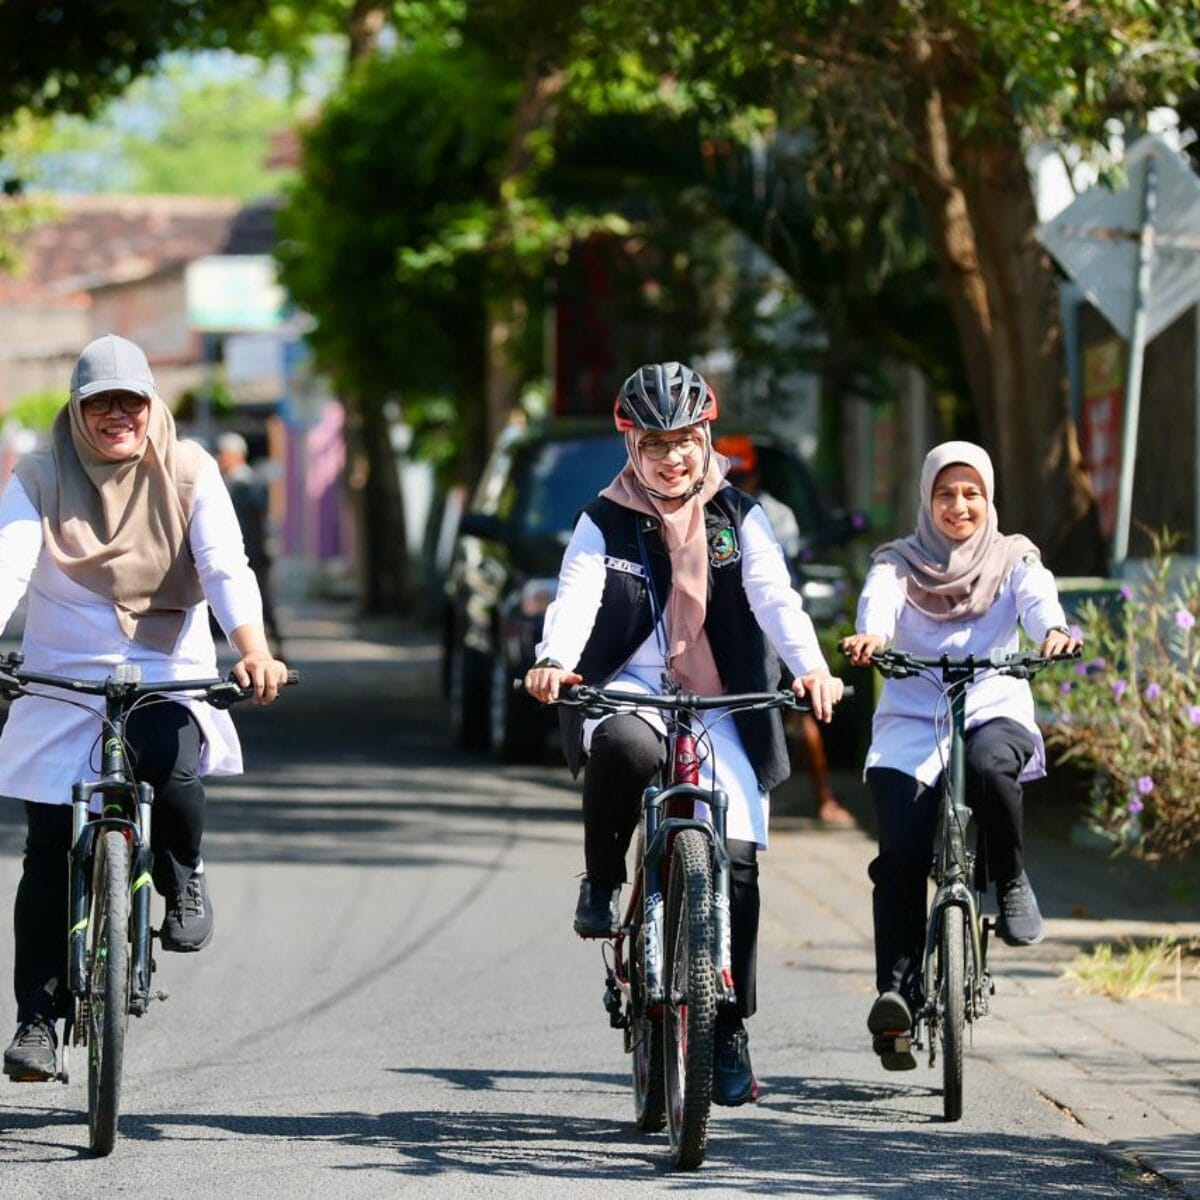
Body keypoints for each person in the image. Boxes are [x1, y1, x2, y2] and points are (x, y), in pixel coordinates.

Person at [523, 361, 844, 1106]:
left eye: (686, 441)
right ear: (631, 446)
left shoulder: (741, 516)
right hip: (630, 686)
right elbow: (577, 596)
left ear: (706, 438)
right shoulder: (604, 518)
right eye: (656, 444)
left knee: (735, 859)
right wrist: (554, 661)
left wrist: (814, 669)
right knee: (627, 748)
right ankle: (603, 879)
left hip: (720, 697)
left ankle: (728, 1024)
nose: (674, 458)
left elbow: (776, 599)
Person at [1, 334, 289, 1083]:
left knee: (170, 755)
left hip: (165, 663)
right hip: (63, 673)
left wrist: (252, 648)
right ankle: (37, 1020)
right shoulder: (38, 474)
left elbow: (227, 567)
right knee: (43, 853)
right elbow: (8, 562)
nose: (117, 415)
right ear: (77, 408)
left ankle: (181, 870)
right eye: (100, 402)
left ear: (151, 403)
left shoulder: (190, 469)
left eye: (131, 400)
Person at [840, 440, 1081, 1070]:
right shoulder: (899, 561)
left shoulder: (1013, 555)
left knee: (989, 768)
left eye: (971, 492)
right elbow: (880, 600)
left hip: (992, 706)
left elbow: (1036, 596)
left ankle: (1010, 877)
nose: (958, 505)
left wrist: (1051, 630)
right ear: (926, 498)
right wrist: (873, 635)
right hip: (913, 721)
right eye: (945, 493)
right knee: (899, 856)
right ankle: (895, 994)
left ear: (989, 497)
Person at [716, 433, 855, 828]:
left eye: (742, 475)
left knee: (804, 710)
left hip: (771, 623)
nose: (737, 483)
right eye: (730, 474)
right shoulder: (697, 509)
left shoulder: (771, 515)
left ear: (755, 473)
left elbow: (773, 587)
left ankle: (823, 799)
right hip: (725, 629)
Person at [215, 431, 283, 660]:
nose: (220, 459)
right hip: (244, 551)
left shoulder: (246, 482)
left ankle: (270, 650)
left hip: (253, 551)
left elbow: (258, 516)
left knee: (261, 600)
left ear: (237, 455)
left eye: (224, 455)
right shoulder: (229, 481)